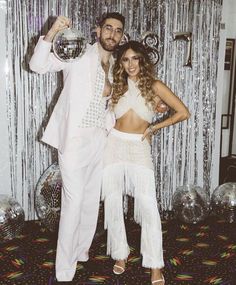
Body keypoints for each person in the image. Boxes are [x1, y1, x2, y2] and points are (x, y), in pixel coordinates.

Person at [29, 12, 125, 282]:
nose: (112, 34)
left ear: (121, 36)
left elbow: (110, 107)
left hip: (99, 140)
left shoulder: (118, 64)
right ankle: (64, 269)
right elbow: (37, 65)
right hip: (73, 140)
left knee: (91, 201)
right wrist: (52, 32)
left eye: (118, 31)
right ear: (97, 30)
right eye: (108, 28)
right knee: (73, 203)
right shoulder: (79, 52)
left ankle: (82, 250)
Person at [102, 41, 190, 284]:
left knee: (149, 207)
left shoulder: (155, 86)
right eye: (125, 60)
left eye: (135, 59)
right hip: (114, 145)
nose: (130, 64)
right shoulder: (117, 86)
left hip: (139, 148)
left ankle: (155, 265)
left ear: (142, 60)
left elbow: (183, 112)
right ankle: (120, 254)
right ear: (121, 63)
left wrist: (154, 127)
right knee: (112, 202)